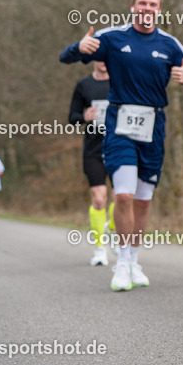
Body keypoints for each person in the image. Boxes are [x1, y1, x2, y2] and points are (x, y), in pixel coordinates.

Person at [60, 0, 183, 291]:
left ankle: (135, 259)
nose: (147, 8)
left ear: (160, 10)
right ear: (132, 6)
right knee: (122, 196)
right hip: (120, 124)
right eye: (142, 2)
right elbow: (66, 57)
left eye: (153, 4)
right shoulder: (113, 37)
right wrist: (78, 47)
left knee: (142, 202)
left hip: (153, 126)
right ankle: (122, 262)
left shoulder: (170, 44)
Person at [68, 60, 117, 266]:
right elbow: (72, 117)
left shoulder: (119, 81)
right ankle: (100, 248)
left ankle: (112, 227)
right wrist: (84, 117)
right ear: (93, 60)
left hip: (119, 147)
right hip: (93, 150)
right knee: (99, 198)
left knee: (121, 197)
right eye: (99, 57)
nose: (104, 61)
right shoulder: (84, 85)